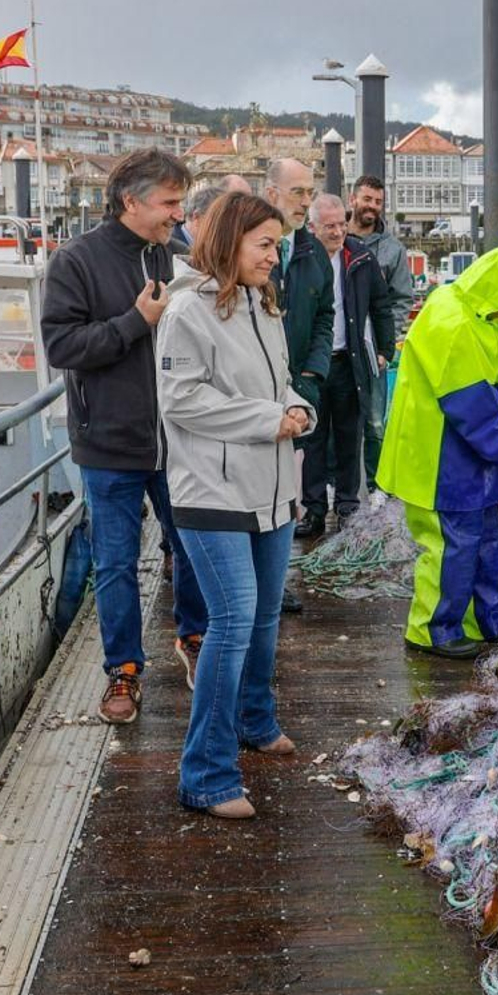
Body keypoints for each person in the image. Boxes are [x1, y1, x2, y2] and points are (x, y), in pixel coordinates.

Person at [156, 192, 314, 819]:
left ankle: (255, 719)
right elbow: (181, 400)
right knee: (232, 620)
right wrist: (270, 418)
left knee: (266, 617)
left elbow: (275, 387)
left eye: (277, 245)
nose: (275, 257)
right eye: (265, 245)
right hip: (210, 492)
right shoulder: (185, 312)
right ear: (229, 242)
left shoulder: (262, 306)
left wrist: (299, 407)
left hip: (271, 489)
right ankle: (206, 774)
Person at [42, 147, 209, 723]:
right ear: (130, 201)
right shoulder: (76, 261)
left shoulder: (180, 257)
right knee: (114, 563)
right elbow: (62, 347)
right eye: (168, 203)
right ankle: (124, 671)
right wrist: (136, 323)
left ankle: (193, 638)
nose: (177, 215)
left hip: (177, 438)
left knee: (190, 547)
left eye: (181, 204)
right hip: (109, 442)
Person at [376, 242, 498, 660]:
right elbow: (476, 412)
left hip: (466, 460)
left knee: (485, 540)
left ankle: (494, 621)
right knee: (451, 548)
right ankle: (433, 629)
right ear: (497, 296)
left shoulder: (470, 310)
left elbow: (486, 381)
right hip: (438, 459)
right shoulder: (453, 327)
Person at [296, 193, 397, 535]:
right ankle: (313, 509)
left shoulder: (360, 257)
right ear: (312, 227)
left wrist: (385, 349)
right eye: (329, 227)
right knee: (312, 436)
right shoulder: (302, 258)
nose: (338, 232)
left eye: (342, 224)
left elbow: (381, 304)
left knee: (349, 434)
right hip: (312, 362)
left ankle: (347, 505)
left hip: (348, 359)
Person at [345, 174, 414, 484]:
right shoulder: (334, 238)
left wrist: (386, 344)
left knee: (375, 423)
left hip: (374, 352)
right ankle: (336, 490)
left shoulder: (392, 249)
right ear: (353, 199)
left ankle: (376, 488)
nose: (372, 207)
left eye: (378, 202)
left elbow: (402, 299)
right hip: (336, 348)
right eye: (367, 199)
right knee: (336, 422)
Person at [266, 159, 333, 463]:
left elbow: (325, 316)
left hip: (301, 387)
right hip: (258, 392)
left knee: (296, 478)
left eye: (310, 192)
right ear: (271, 194)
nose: (307, 202)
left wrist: (312, 374)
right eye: (297, 192)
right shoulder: (244, 250)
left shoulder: (315, 252)